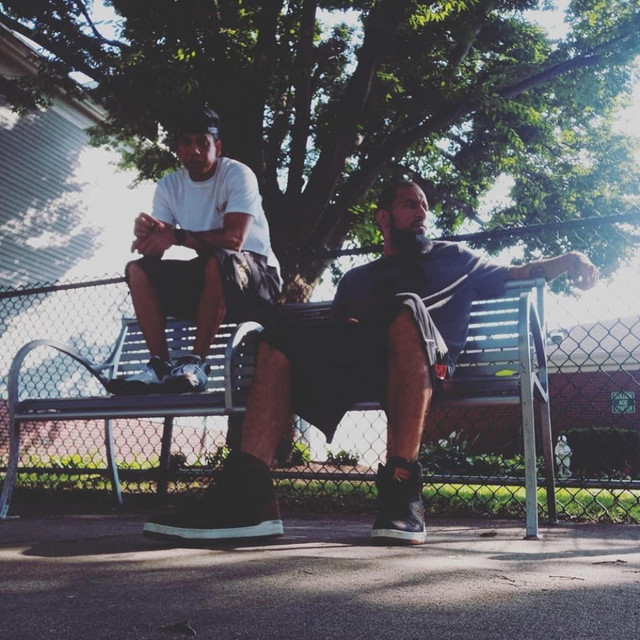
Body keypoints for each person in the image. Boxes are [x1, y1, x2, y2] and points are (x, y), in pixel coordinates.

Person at [143, 180, 599, 544]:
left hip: (428, 365)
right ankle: (250, 495)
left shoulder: (455, 259)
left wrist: (571, 260)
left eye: (423, 206)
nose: (421, 213)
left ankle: (402, 486)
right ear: (383, 217)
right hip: (361, 368)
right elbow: (340, 335)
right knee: (275, 337)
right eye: (409, 204)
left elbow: (521, 273)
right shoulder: (358, 278)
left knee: (405, 309)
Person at [110, 106, 282, 395]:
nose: (195, 150)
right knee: (138, 270)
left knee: (219, 259)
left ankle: (196, 364)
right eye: (186, 142)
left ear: (217, 147)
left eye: (203, 142)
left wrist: (175, 236)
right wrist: (147, 235)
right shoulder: (169, 186)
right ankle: (159, 366)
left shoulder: (238, 174)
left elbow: (234, 239)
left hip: (259, 278)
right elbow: (160, 244)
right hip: (212, 279)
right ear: (178, 149)